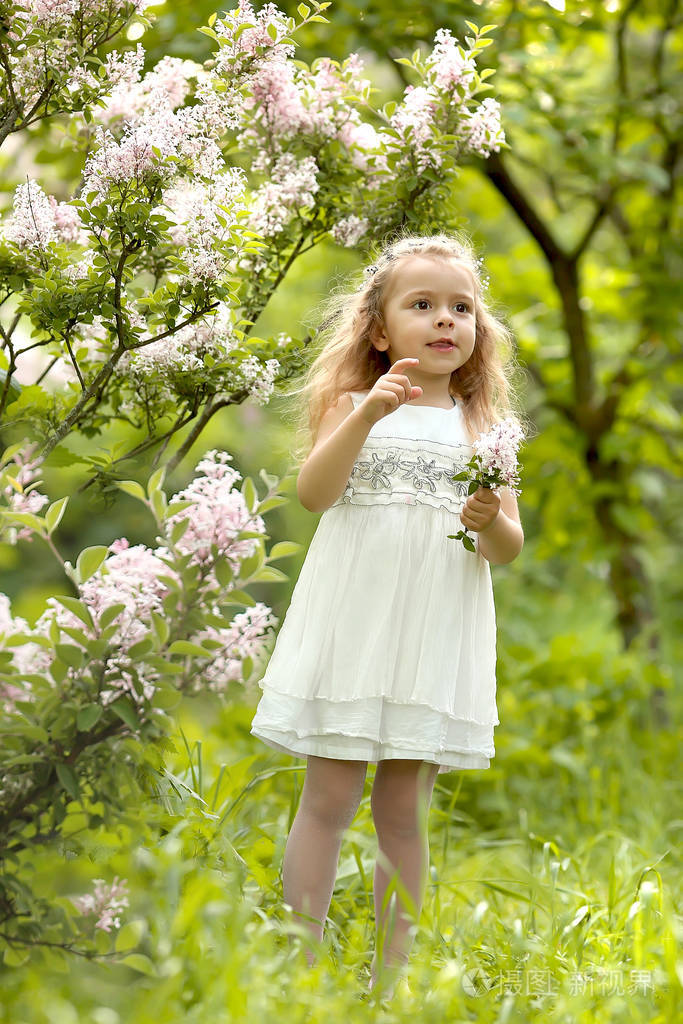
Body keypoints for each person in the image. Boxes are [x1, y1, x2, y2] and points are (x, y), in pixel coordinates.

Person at [250, 232, 525, 996]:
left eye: (461, 308)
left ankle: (389, 982)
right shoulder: (351, 404)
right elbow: (313, 495)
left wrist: (485, 520)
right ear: (379, 330)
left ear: (477, 332)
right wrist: (367, 413)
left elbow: (506, 548)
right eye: (423, 305)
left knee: (402, 806)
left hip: (432, 631)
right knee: (329, 796)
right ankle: (299, 971)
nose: (446, 320)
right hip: (355, 622)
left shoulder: (483, 429)